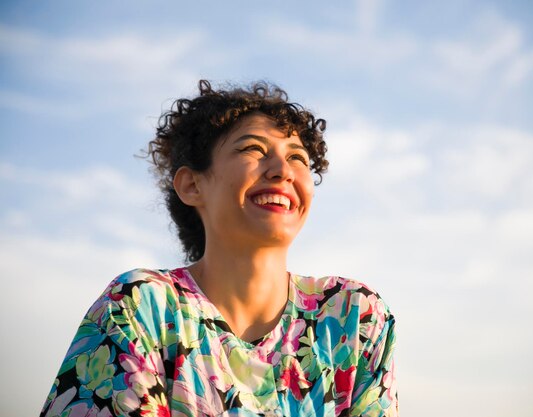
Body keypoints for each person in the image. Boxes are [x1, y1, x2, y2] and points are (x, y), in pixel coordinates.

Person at [40, 80, 398, 416]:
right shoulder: (140, 307)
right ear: (192, 185)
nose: (282, 171)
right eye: (253, 149)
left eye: (298, 158)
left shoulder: (352, 318)